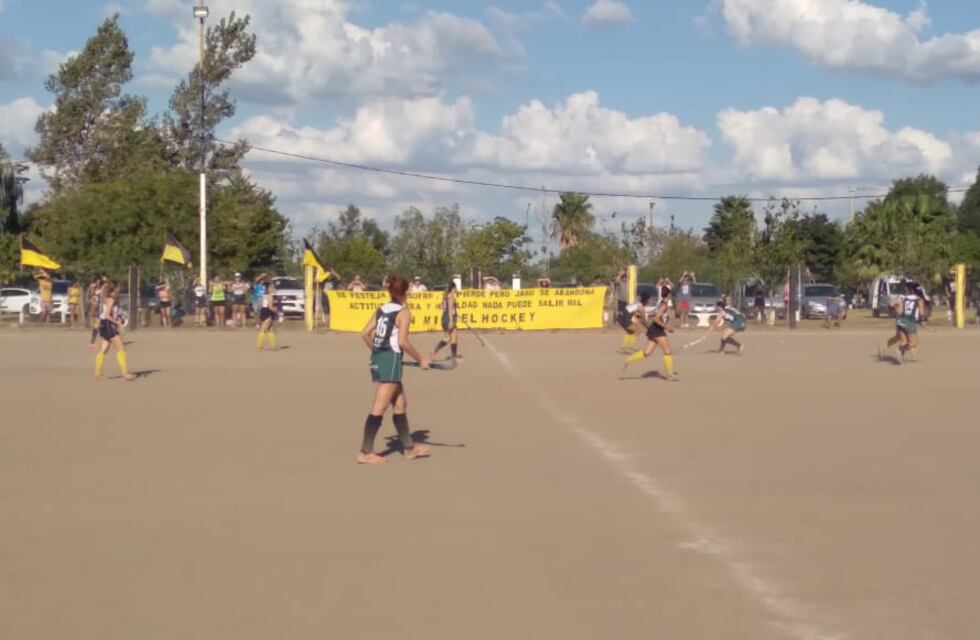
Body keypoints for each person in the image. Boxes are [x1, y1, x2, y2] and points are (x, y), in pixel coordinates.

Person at [357, 275, 431, 465]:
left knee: (400, 404)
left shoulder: (382, 309)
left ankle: (409, 448)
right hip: (390, 359)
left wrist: (378, 351)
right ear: (405, 292)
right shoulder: (403, 312)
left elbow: (365, 334)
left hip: (380, 358)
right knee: (379, 406)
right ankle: (365, 452)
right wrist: (420, 359)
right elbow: (403, 342)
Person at [623, 286, 677, 380]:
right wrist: (667, 327)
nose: (671, 296)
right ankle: (670, 374)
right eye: (670, 294)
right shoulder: (664, 305)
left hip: (653, 329)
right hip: (657, 330)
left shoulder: (662, 303)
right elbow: (656, 318)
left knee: (647, 353)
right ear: (668, 295)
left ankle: (629, 360)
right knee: (668, 352)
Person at [93, 285, 136, 381]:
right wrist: (118, 323)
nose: (117, 292)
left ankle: (97, 372)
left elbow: (110, 314)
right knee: (121, 348)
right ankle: (125, 373)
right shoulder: (111, 300)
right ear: (111, 292)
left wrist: (119, 319)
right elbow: (108, 315)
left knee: (104, 349)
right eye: (115, 291)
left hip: (104, 325)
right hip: (108, 325)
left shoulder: (107, 300)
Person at [880, 280, 925, 364]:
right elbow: (921, 313)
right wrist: (922, 321)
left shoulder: (903, 297)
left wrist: (896, 306)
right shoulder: (917, 299)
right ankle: (892, 349)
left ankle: (902, 355)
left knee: (902, 340)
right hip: (909, 321)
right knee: (910, 341)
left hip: (900, 320)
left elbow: (891, 304)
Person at [430, 281, 461, 362]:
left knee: (452, 337)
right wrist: (451, 320)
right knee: (449, 338)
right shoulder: (451, 297)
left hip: (445, 317)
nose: (457, 289)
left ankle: (452, 356)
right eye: (455, 287)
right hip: (448, 318)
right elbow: (450, 309)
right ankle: (435, 352)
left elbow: (443, 307)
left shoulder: (446, 296)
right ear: (453, 288)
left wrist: (455, 314)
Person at [256, 281, 279, 351]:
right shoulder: (270, 296)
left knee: (270, 329)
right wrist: (277, 312)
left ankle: (273, 345)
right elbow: (270, 307)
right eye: (272, 287)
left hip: (264, 311)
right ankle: (259, 345)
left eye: (274, 287)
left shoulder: (265, 295)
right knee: (264, 329)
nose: (273, 289)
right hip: (267, 312)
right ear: (268, 288)